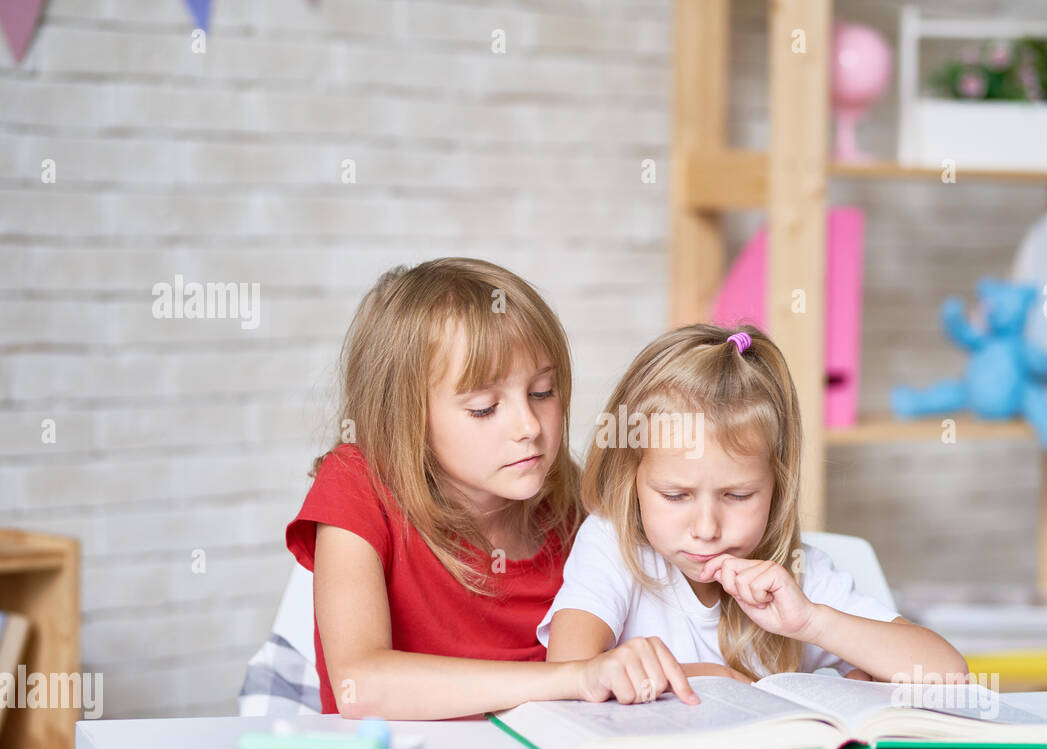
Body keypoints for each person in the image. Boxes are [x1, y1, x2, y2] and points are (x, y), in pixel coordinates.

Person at [286, 259, 698, 719]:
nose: (528, 426)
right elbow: (358, 686)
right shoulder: (357, 484)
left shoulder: (571, 508)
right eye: (484, 408)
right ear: (403, 416)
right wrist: (576, 677)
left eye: (543, 392)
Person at [540, 324, 968, 694]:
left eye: (738, 496)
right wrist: (708, 677)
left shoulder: (798, 574)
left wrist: (812, 624)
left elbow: (948, 673)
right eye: (675, 496)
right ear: (628, 480)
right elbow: (568, 675)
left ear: (776, 487)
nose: (706, 529)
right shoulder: (612, 547)